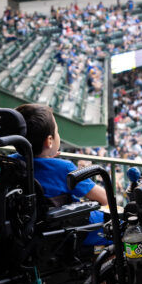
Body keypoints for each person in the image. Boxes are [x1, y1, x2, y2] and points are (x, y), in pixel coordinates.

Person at [17, 103, 107, 244]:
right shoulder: (64, 168)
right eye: (57, 132)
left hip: (31, 232)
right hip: (68, 230)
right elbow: (105, 198)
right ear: (49, 141)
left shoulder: (11, 162)